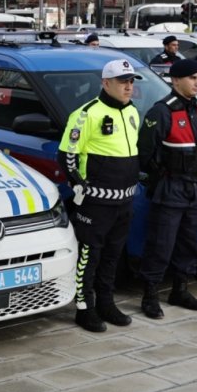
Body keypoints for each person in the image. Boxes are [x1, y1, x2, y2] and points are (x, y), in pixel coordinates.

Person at [58, 58, 142, 332]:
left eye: (131, 81)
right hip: (96, 202)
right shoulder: (86, 114)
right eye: (122, 82)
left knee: (113, 255)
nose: (128, 87)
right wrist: (80, 186)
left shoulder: (132, 112)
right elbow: (67, 155)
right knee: (89, 255)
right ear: (106, 83)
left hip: (125, 199)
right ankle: (85, 308)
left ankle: (106, 303)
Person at [137, 58, 197, 314]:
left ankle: (180, 290)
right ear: (176, 80)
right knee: (161, 243)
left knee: (187, 243)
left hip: (194, 187)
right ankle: (149, 295)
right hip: (170, 186)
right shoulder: (162, 111)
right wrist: (160, 178)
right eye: (193, 78)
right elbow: (145, 153)